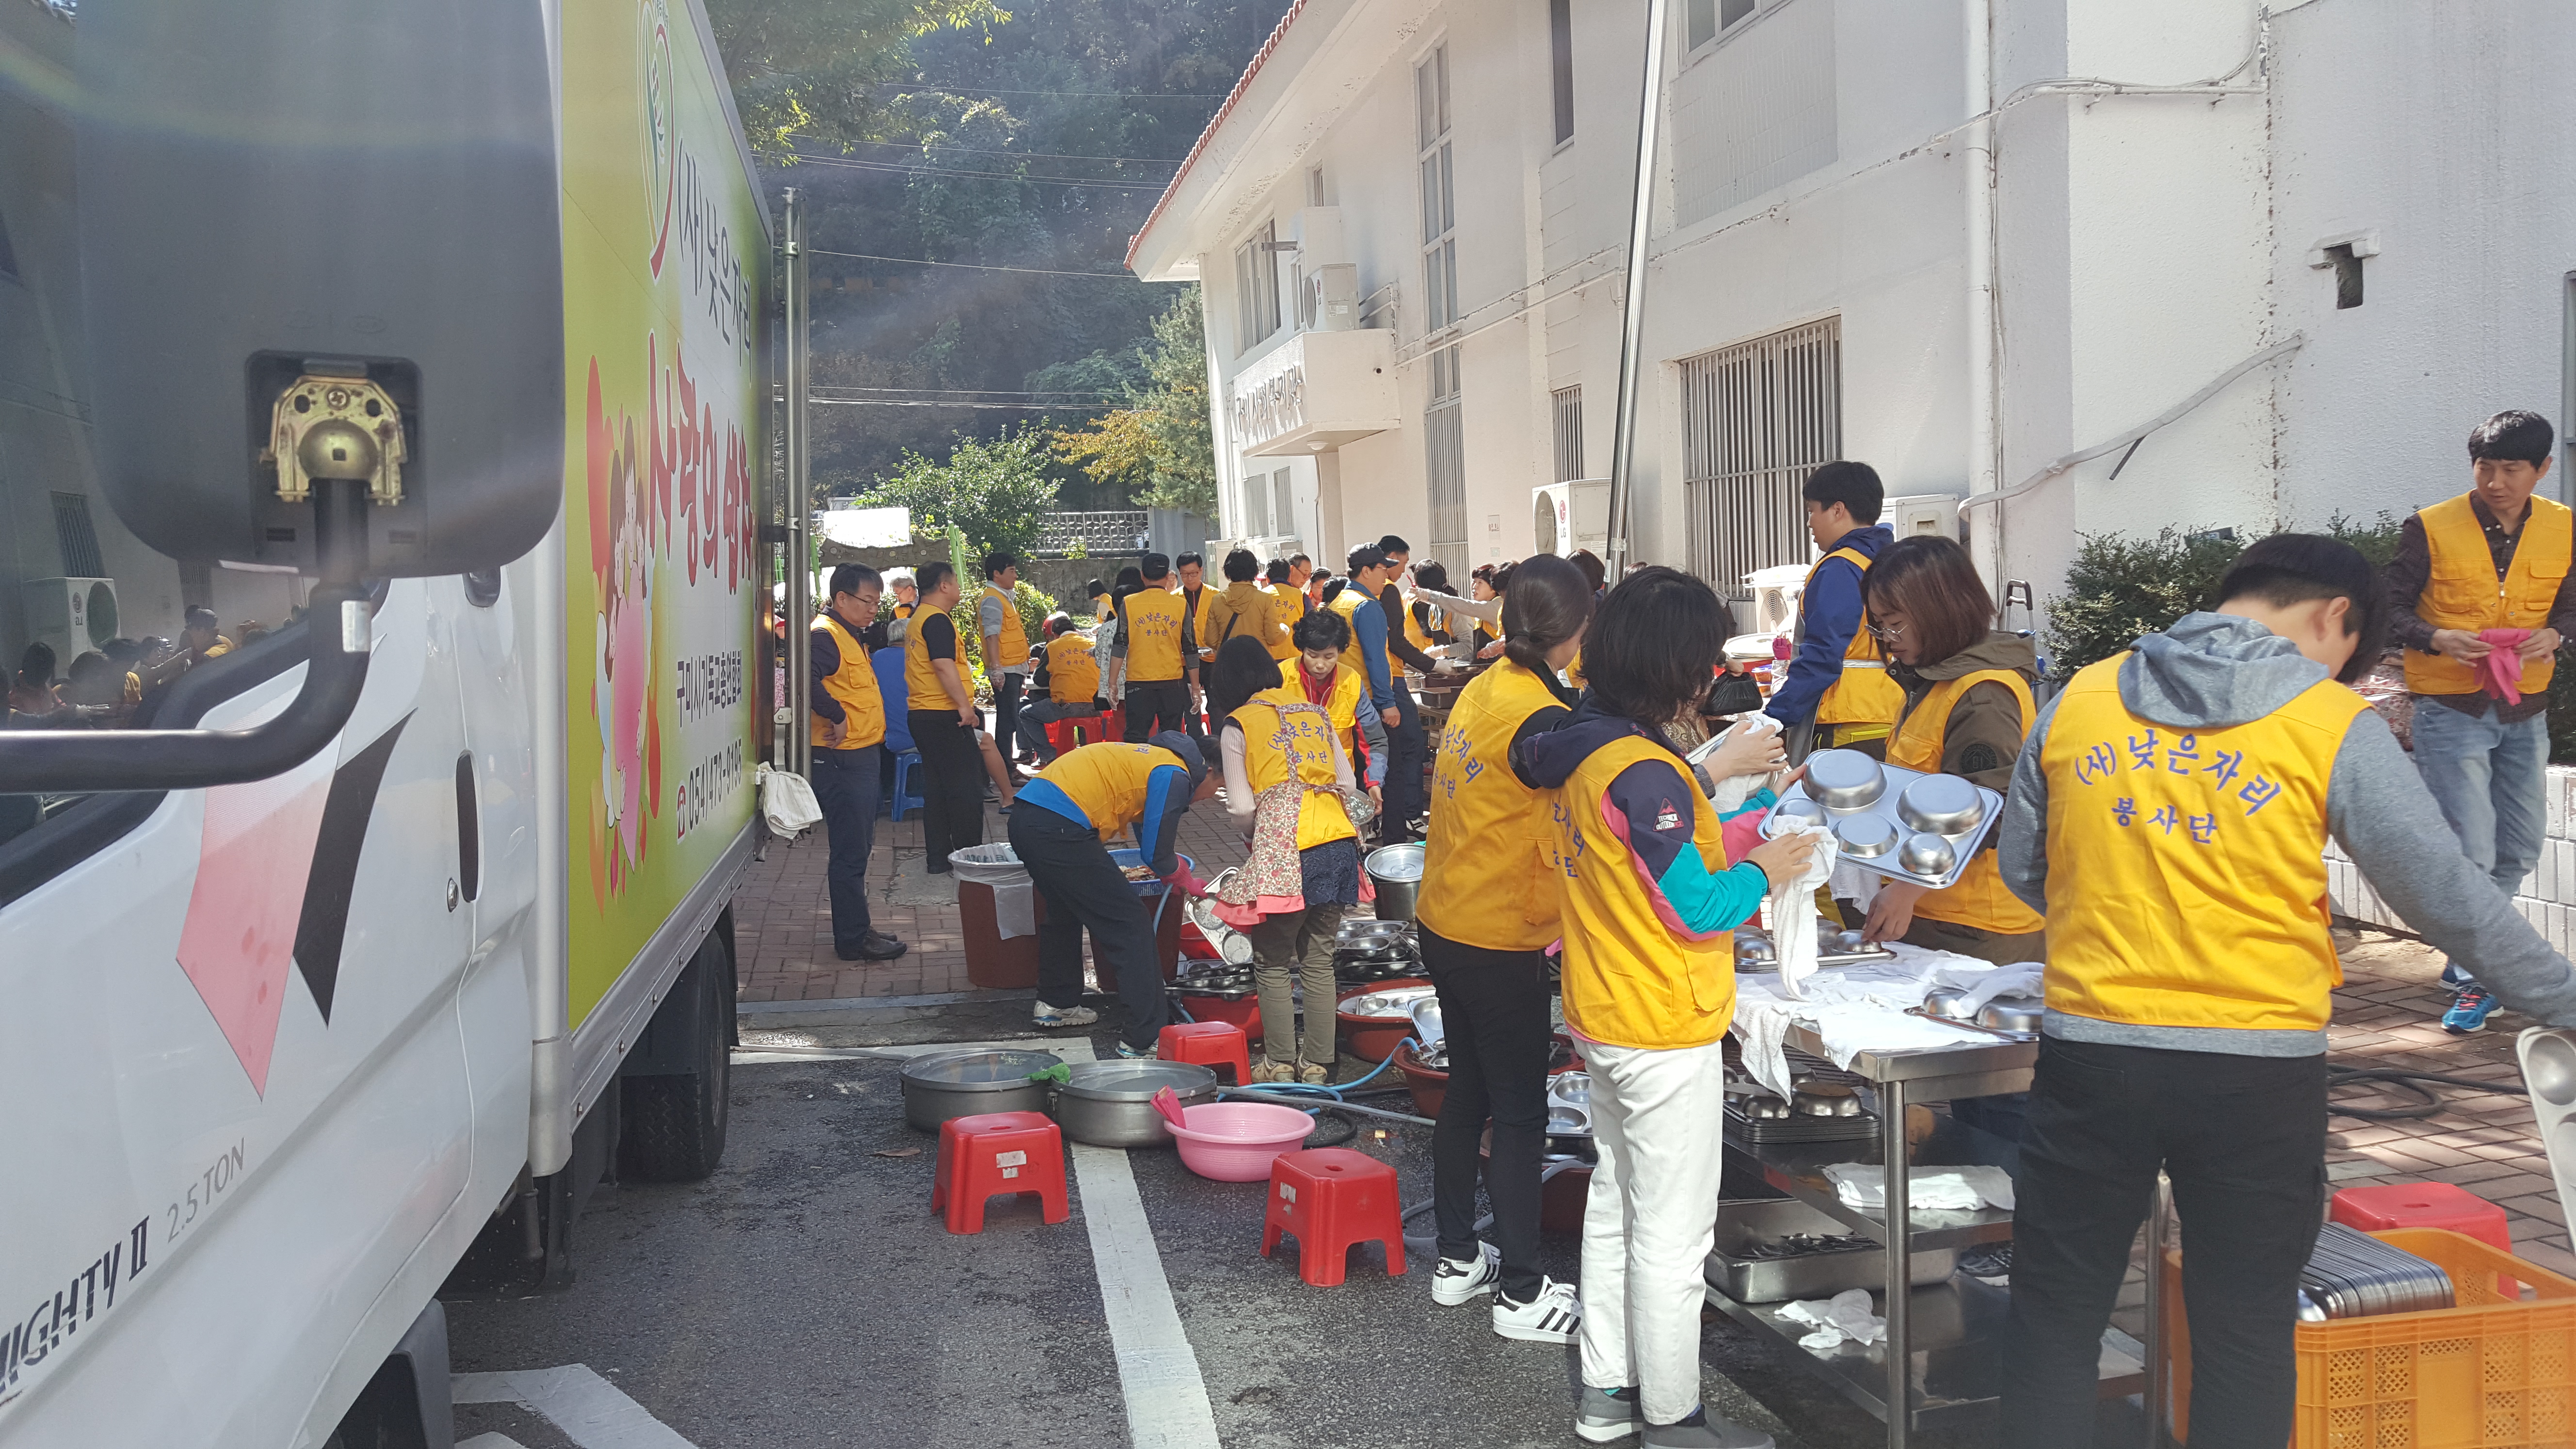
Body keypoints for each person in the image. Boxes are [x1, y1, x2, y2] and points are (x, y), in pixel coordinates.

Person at [1994, 533, 2576, 1446]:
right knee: (2245, 1332)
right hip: (2256, 1073)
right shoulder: (2328, 720)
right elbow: (2448, 898)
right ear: (2335, 615)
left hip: (2093, 1055)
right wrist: (2564, 1000)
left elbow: (2026, 869)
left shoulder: (2082, 698)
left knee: (2053, 1318)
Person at [1517, 566, 1814, 1449]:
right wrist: (1765, 871)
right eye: (1705, 659)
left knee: (1617, 1208)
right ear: (1675, 665)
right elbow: (1698, 906)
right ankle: (1675, 1417)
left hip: (1606, 1011)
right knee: (1673, 1237)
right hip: (1661, 1021)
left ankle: (1608, 1392)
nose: (1710, 676)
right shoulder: (1644, 770)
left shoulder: (1593, 752)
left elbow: (1661, 864)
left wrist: (1762, 815)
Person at [1417, 554, 1592, 1344]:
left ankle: (1459, 1258)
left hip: (1446, 919)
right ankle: (1522, 1293)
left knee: (1469, 1093)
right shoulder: (1540, 719)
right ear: (1576, 630)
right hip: (1498, 936)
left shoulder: (1489, 685)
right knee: (1519, 1114)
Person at [2384, 409, 2575, 1033]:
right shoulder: (2429, 527)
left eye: (2510, 469)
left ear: (2541, 469)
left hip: (2524, 705)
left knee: (2518, 845)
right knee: (2470, 850)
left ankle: (2467, 955)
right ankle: (2477, 976)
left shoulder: (2564, 527)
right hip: (2449, 706)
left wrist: (2556, 635)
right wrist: (2435, 636)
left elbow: (2570, 608)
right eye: (2484, 467)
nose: (2495, 482)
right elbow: (2386, 607)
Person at [1856, 535, 2045, 964]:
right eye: (1879, 625)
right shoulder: (1933, 681)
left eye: (1895, 623)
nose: (1888, 638)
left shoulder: (1982, 693)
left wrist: (1908, 889)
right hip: (1935, 912)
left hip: (1979, 926)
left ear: (1939, 610)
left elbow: (1990, 809)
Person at [1207, 636, 1365, 1086]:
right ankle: (1317, 1064)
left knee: (1273, 960)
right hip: (1336, 841)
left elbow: (1241, 807)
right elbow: (1348, 783)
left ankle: (1278, 1062)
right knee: (1319, 958)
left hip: (1286, 848)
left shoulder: (1238, 725)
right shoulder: (1315, 713)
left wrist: (1254, 835)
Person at [1010, 733, 1218, 1047]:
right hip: (1060, 827)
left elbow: (1148, 830)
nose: (1212, 795)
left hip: (1027, 818)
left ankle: (1057, 1003)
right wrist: (1181, 877)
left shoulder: (1153, 758)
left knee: (1064, 910)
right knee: (1130, 923)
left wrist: (1169, 873)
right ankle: (1146, 1038)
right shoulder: (1175, 774)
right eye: (1219, 786)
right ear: (1209, 771)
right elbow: (1158, 855)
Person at [1763, 460, 1900, 760]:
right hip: (1893, 713)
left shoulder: (1840, 568)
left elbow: (1823, 655)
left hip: (1845, 723)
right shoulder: (1893, 561)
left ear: (1838, 510)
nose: (1810, 522)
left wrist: (1773, 719)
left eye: (1812, 510)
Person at [809, 564, 907, 962]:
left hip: (861, 753)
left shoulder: (849, 635)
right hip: (842, 759)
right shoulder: (825, 635)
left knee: (859, 847)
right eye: (866, 601)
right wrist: (835, 714)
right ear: (841, 598)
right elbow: (803, 678)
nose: (872, 610)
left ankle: (858, 926)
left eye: (877, 603)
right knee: (850, 851)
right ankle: (852, 938)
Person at [902, 561, 986, 874]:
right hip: (944, 714)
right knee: (966, 790)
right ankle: (970, 859)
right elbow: (942, 664)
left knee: (937, 790)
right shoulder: (936, 619)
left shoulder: (918, 617)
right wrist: (965, 707)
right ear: (944, 586)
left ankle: (938, 858)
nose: (959, 588)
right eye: (956, 581)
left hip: (924, 714)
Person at [1262, 608, 1389, 808]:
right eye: (1313, 656)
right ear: (1302, 650)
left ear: (1340, 652)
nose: (1320, 665)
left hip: (1338, 787)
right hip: (1288, 789)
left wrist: (1374, 782)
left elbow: (1375, 740)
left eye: (1329, 657)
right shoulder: (1280, 678)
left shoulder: (1352, 682)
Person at [1348, 544, 1428, 841]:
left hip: (1347, 701)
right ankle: (1394, 841)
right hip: (1370, 701)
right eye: (1383, 570)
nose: (1387, 577)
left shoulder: (1339, 601)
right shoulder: (1367, 606)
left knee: (1359, 772)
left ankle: (1363, 835)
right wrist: (1387, 703)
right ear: (1366, 571)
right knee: (1391, 772)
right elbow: (1376, 659)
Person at [1108, 552, 1192, 740]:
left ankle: (1137, 761)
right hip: (1173, 682)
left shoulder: (1129, 604)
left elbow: (1120, 645)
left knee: (1136, 737)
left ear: (1142, 576)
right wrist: (1195, 687)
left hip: (1139, 682)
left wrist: (1112, 683)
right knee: (1172, 737)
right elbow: (1191, 649)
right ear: (1168, 577)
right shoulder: (1181, 605)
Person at [979, 551, 1038, 774]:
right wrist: (997, 668)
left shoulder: (1003, 597)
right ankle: (1005, 768)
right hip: (1005, 668)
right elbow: (992, 635)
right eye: (1012, 571)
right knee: (1007, 720)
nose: (1016, 575)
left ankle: (1006, 767)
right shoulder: (993, 599)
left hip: (1013, 667)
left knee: (1009, 719)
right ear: (997, 574)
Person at [1024, 615, 1107, 764]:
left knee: (1026, 714)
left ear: (1055, 635)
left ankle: (1048, 755)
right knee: (1087, 722)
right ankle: (1090, 755)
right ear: (1075, 630)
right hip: (1096, 706)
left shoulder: (1052, 647)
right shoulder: (1092, 644)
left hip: (1066, 706)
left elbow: (1039, 679)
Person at [1203, 548, 1287, 667]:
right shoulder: (1264, 599)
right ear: (1255, 572)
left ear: (1227, 573)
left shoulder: (1217, 600)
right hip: (1259, 663)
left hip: (1229, 664)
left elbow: (1210, 640)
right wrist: (1285, 631)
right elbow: (1274, 638)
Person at [1262, 559, 1307, 661]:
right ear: (1289, 576)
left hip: (1269, 656)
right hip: (1296, 655)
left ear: (1267, 578)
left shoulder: (1261, 596)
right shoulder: (1301, 595)